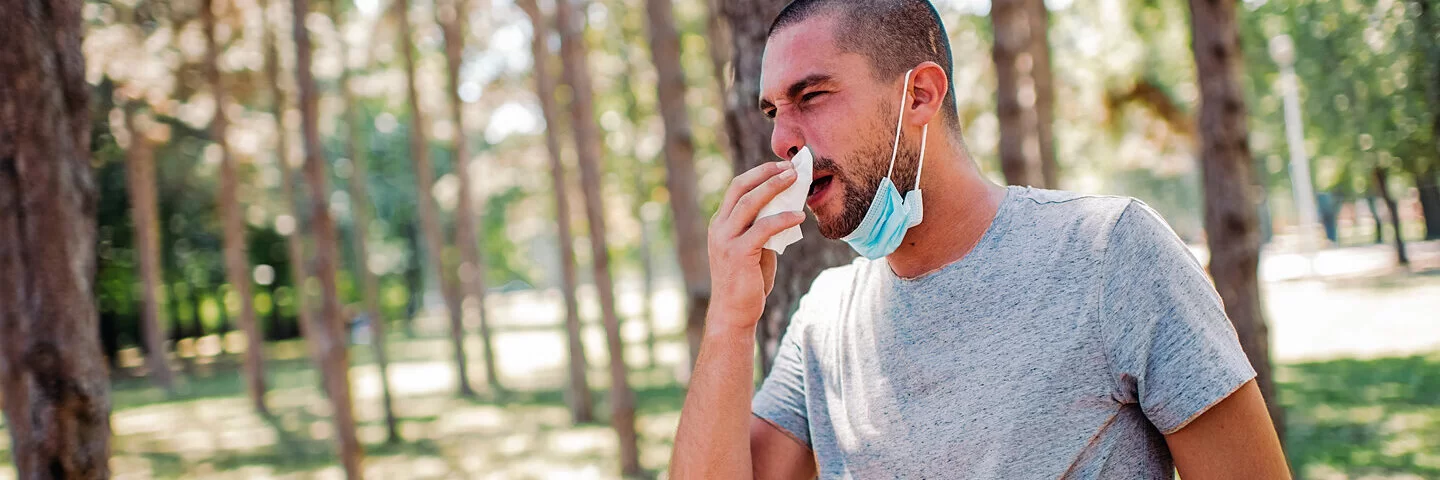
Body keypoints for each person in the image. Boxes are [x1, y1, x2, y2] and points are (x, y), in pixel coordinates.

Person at [668, 0, 1291, 478]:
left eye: (812, 95)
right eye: (774, 111)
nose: (783, 141)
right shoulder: (823, 323)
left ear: (919, 94)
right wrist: (729, 320)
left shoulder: (1109, 252)